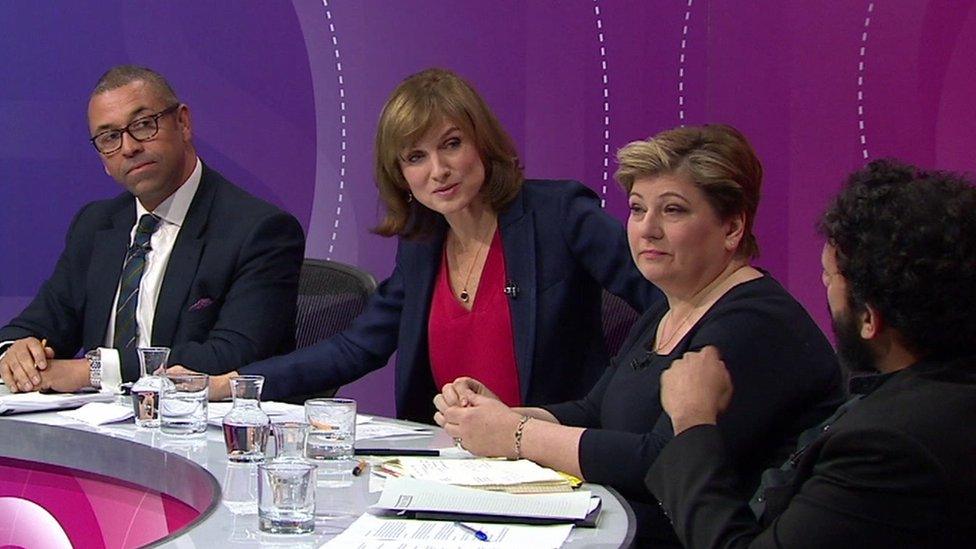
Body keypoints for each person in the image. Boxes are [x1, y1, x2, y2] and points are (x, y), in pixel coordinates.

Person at [435, 124, 844, 546]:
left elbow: (662, 460)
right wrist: (502, 415)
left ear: (732, 227)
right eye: (636, 208)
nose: (647, 228)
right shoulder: (670, 306)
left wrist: (517, 437)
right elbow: (595, 410)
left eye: (673, 210)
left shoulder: (755, 323)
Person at [194, 68, 660, 421]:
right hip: (447, 468)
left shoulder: (560, 215)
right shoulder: (423, 247)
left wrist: (611, 407)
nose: (438, 170)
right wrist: (233, 384)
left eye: (452, 144)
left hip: (548, 460)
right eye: (416, 156)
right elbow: (355, 347)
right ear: (401, 175)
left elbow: (667, 304)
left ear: (481, 143)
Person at [647, 159, 976, 548]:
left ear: (869, 317)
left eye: (828, 276)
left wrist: (692, 423)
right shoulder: (935, 386)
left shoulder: (888, 448)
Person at [0, 65, 305, 394]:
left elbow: (232, 355)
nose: (129, 147)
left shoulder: (259, 230)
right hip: (97, 431)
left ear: (183, 122)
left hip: (198, 434)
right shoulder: (96, 225)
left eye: (143, 125)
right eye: (110, 137)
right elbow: (39, 323)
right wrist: (18, 351)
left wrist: (94, 371)